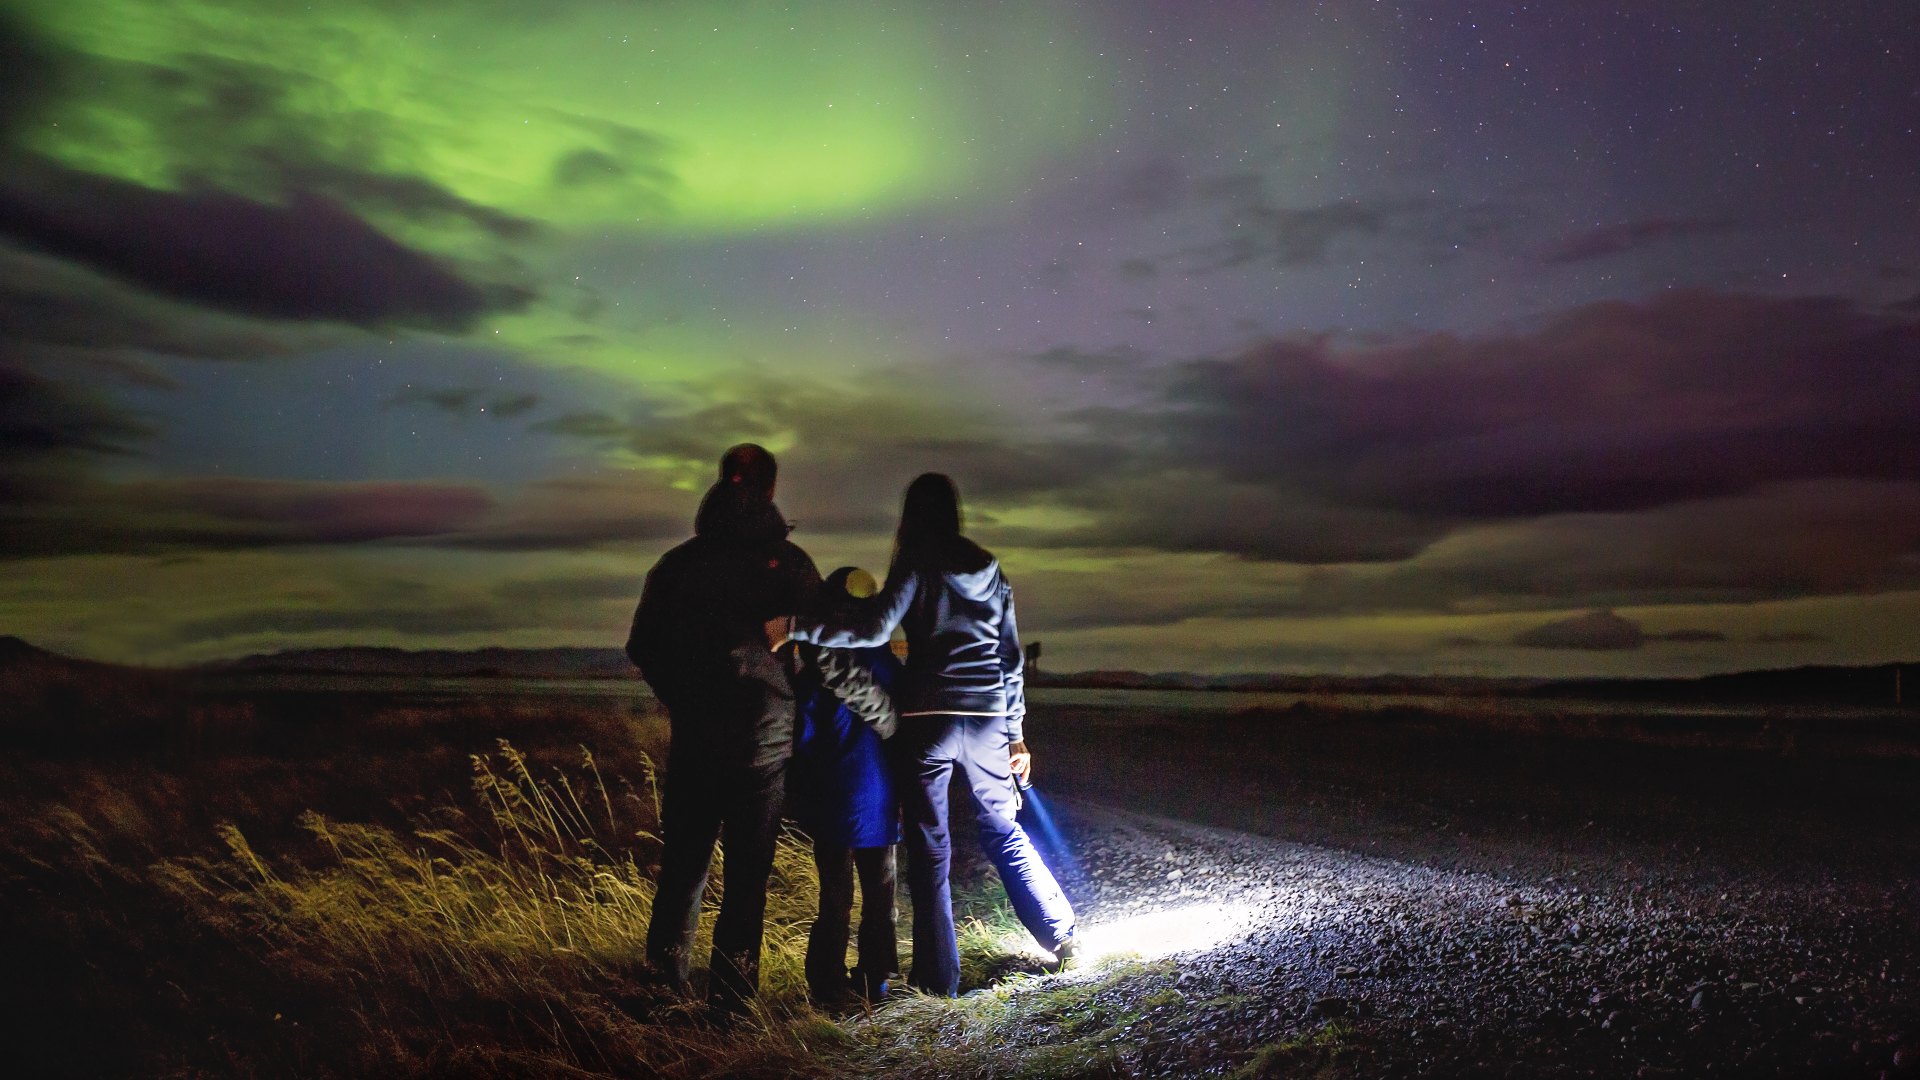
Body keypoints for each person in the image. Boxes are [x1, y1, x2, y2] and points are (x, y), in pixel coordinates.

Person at [774, 472, 1076, 997]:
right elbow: (1010, 658)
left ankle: (939, 982)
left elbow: (871, 630)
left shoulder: (915, 562)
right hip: (986, 720)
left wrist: (796, 625)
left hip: (927, 719)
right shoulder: (990, 568)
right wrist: (1017, 734)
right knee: (1003, 827)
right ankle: (1061, 933)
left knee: (931, 849)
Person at [625, 444, 822, 1013]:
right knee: (746, 877)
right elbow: (823, 649)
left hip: (696, 739)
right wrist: (793, 701)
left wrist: (680, 697)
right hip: (764, 742)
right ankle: (733, 1006)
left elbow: (642, 645)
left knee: (684, 868)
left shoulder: (678, 565)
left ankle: (662, 988)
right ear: (770, 489)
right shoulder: (790, 565)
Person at [785, 566, 903, 1007]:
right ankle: (879, 979)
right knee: (880, 892)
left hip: (836, 793)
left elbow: (806, 735)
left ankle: (829, 984)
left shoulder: (817, 662)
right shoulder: (887, 659)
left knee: (835, 895)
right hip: (882, 795)